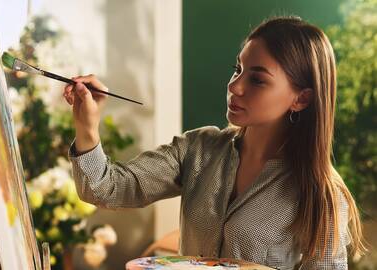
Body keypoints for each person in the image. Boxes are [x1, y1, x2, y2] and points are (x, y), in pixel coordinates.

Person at [63, 16, 365, 269]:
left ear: (302, 98)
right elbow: (106, 189)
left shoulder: (320, 194)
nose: (235, 86)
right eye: (238, 69)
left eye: (257, 80)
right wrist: (86, 124)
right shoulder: (198, 149)